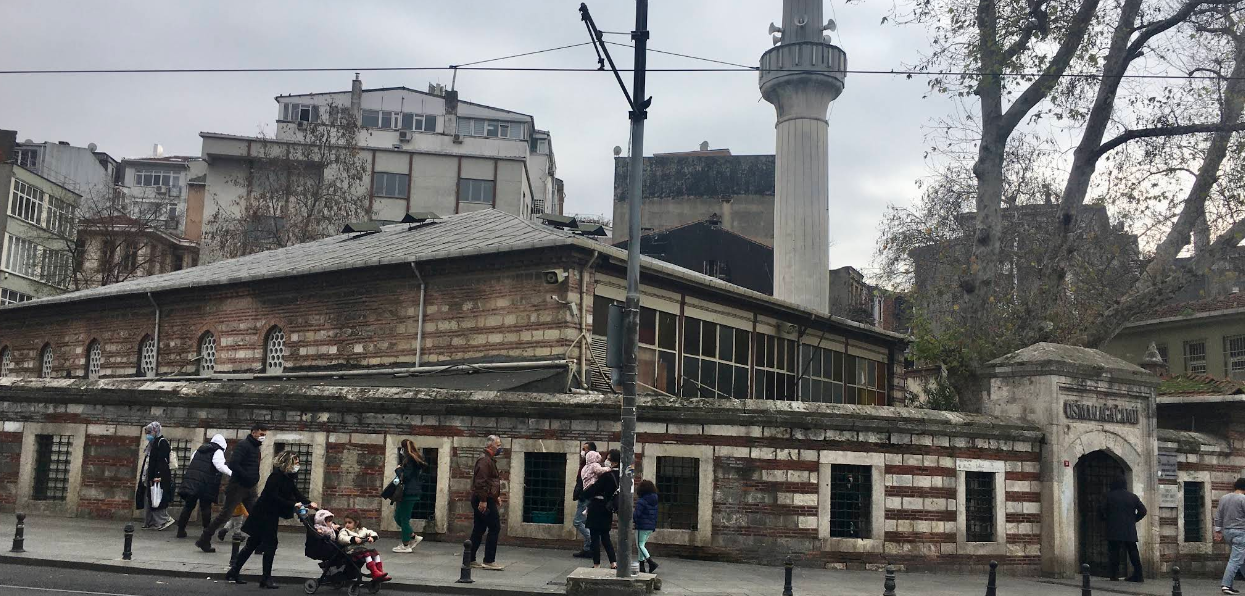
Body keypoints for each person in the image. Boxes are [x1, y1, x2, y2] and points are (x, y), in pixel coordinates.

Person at [224, 450, 317, 589]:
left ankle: (233, 571)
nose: (298, 465)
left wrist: (309, 503)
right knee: (270, 545)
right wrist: (293, 504)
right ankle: (265, 579)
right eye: (296, 463)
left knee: (253, 543)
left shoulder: (287, 478)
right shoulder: (276, 477)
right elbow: (272, 496)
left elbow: (295, 493)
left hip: (269, 514)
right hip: (264, 514)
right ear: (288, 463)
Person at [198, 423, 266, 553]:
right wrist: (246, 476)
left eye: (264, 435)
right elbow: (234, 464)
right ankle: (204, 539)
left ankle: (259, 543)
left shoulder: (255, 448)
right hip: (238, 486)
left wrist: (254, 478)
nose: (263, 437)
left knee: (256, 514)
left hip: (250, 487)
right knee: (225, 514)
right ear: (254, 432)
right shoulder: (243, 445)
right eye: (261, 434)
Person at [176, 434, 232, 538]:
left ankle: (181, 530)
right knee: (205, 507)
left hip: (193, 481)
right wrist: (232, 473)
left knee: (188, 506)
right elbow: (219, 465)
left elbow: (193, 462)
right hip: (206, 483)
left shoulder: (199, 450)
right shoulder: (218, 451)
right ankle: (206, 531)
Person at [1100, 477, 1147, 583]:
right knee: (1133, 551)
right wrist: (1134, 519)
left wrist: (1105, 519)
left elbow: (1101, 510)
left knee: (1114, 552)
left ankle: (1114, 575)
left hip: (1114, 528)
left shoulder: (1108, 496)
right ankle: (1138, 574)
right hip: (1129, 528)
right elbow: (1143, 511)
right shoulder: (1133, 497)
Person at [469, 435, 504, 571]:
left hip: (485, 498)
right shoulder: (484, 460)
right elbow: (481, 482)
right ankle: (489, 560)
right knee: (494, 527)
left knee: (479, 528)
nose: (500, 448)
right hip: (483, 499)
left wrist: (495, 496)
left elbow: (490, 482)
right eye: (498, 445)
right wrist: (484, 500)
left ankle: (469, 559)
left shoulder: (488, 459)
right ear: (491, 446)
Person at [583, 449, 621, 569]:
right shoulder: (621, 476)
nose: (606, 461)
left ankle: (596, 564)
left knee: (594, 537)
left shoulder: (606, 475)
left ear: (614, 462)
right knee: (605, 536)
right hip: (607, 509)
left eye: (609, 459)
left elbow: (592, 490)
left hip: (597, 507)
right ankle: (613, 562)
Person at [137, 422, 175, 531]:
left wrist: (158, 475)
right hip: (150, 476)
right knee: (149, 498)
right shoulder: (153, 444)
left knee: (156, 498)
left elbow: (162, 462)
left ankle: (164, 519)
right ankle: (150, 521)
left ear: (155, 431)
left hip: (157, 476)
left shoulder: (161, 443)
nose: (148, 435)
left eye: (149, 432)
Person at [392, 439, 428, 553]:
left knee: (404, 519)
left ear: (404, 448)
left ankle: (405, 544)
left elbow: (406, 476)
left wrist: (398, 470)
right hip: (409, 492)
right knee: (398, 517)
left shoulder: (410, 460)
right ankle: (413, 536)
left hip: (408, 493)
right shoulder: (413, 459)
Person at [337, 514, 391, 581]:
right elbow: (342, 538)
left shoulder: (362, 530)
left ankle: (380, 571)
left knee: (375, 553)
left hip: (361, 550)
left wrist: (372, 537)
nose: (347, 525)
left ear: (356, 523)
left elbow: (370, 532)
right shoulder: (344, 531)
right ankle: (374, 572)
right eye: (346, 523)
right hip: (351, 550)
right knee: (366, 554)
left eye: (349, 522)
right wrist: (353, 539)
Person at [1215, 478, 1245, 595]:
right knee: (1235, 560)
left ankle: (1230, 586)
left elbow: (1218, 516)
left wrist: (1218, 531)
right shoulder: (1243, 499)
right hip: (1241, 532)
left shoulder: (1224, 498)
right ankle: (1226, 585)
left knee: (1241, 559)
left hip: (1227, 532)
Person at [571, 441, 598, 559]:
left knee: (577, 522)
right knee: (586, 523)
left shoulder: (592, 466)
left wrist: (583, 494)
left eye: (585, 449)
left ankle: (592, 541)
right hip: (583, 495)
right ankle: (588, 549)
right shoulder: (585, 464)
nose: (583, 451)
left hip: (585, 496)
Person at [634, 479, 659, 573]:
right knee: (642, 544)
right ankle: (641, 565)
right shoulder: (654, 499)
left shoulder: (642, 501)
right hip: (650, 526)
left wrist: (634, 519)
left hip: (642, 525)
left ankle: (650, 562)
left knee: (640, 545)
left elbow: (637, 514)